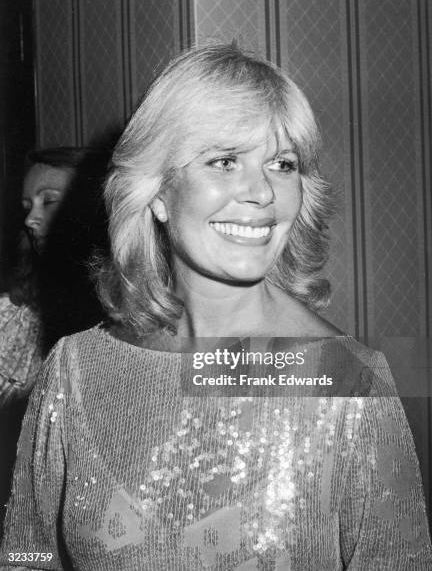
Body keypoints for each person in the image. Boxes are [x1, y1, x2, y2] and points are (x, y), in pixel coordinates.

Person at [1, 45, 431, 569]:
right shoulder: (76, 370)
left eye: (282, 164)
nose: (262, 192)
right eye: (225, 161)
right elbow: (26, 551)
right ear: (156, 192)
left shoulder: (346, 382)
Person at [0, 147, 109, 405]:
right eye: (27, 206)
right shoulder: (14, 315)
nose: (30, 219)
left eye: (48, 201)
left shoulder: (145, 303)